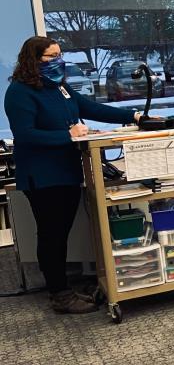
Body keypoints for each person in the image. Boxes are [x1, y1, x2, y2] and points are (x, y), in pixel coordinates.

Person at [4, 36, 139, 314]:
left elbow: (89, 108)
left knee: (62, 231)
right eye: (51, 57)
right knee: (52, 235)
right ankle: (59, 294)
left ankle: (65, 286)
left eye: (59, 55)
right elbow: (26, 135)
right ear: (33, 61)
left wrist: (133, 115)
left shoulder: (58, 87)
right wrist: (67, 134)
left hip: (66, 172)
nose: (58, 61)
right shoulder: (19, 92)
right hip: (42, 177)